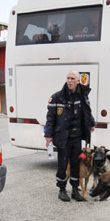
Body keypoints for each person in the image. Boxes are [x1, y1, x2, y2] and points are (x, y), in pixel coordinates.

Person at [45, 70, 95, 202]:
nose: (69, 81)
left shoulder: (82, 95)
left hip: (77, 136)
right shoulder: (57, 97)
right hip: (63, 137)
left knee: (75, 163)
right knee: (62, 164)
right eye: (68, 78)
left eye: (72, 78)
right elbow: (50, 118)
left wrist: (92, 123)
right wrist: (48, 135)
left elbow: (87, 111)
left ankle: (74, 190)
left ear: (78, 81)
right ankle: (62, 189)